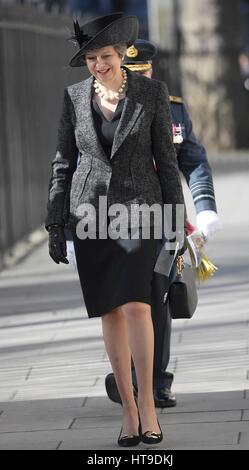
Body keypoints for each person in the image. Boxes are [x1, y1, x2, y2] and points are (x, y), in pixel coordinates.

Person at [45, 14, 185, 447]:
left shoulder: (152, 93)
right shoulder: (73, 97)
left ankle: (147, 406)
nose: (98, 65)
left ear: (123, 54)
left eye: (104, 56)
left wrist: (176, 224)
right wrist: (55, 222)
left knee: (138, 306)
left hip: (141, 214)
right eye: (90, 58)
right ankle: (126, 409)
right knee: (109, 310)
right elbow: (63, 162)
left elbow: (167, 159)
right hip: (90, 217)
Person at [103, 39, 221, 408]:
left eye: (145, 74)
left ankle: (154, 381)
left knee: (159, 296)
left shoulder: (174, 111)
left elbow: (193, 159)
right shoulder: (102, 110)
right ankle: (128, 376)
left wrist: (205, 208)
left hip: (162, 217)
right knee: (122, 302)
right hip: (115, 220)